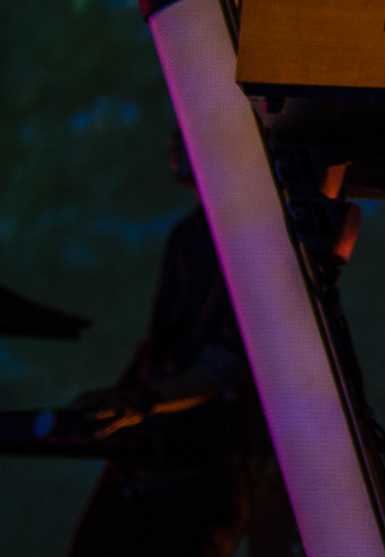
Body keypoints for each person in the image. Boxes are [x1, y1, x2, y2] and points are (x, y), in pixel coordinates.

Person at [66, 129, 293, 557]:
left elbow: (227, 366)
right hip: (150, 457)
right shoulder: (188, 234)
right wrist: (119, 403)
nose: (175, 138)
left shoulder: (258, 235)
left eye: (192, 127)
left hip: (207, 462)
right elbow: (164, 345)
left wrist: (139, 402)